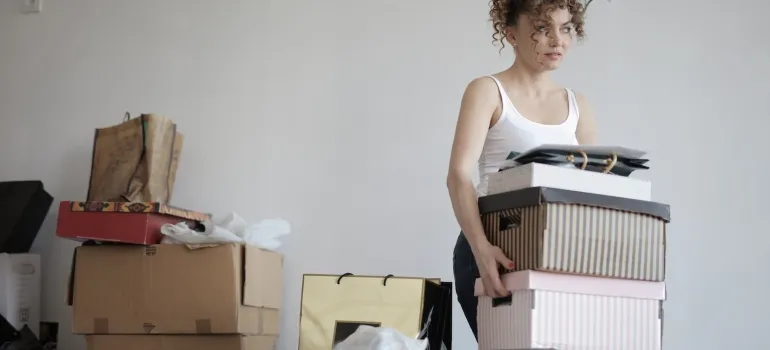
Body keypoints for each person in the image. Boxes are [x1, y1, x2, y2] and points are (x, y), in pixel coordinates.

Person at [446, 0, 599, 339]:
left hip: (558, 252)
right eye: (542, 29)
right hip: (494, 246)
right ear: (511, 34)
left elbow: (591, 191)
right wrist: (481, 251)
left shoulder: (578, 105)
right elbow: (458, 176)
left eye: (565, 28)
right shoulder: (487, 90)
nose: (557, 40)